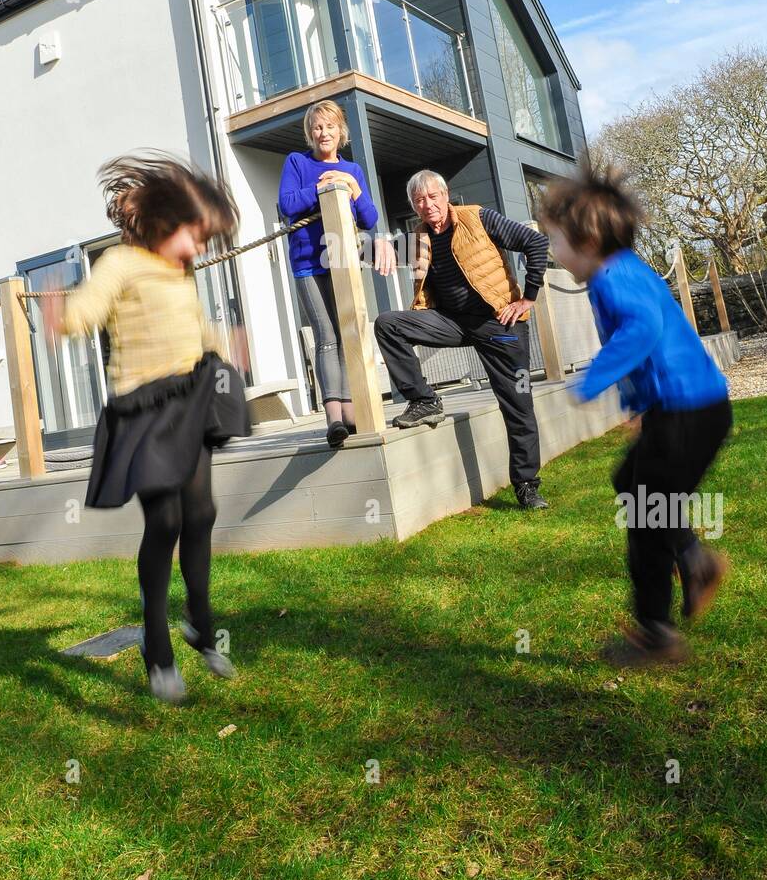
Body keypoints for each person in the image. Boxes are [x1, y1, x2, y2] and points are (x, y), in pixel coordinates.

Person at [42, 152, 250, 704]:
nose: (200, 249)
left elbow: (192, 325)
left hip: (189, 399)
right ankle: (156, 648)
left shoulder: (177, 270)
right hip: (144, 412)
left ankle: (200, 624)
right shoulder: (119, 264)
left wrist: (223, 342)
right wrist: (63, 316)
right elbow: (89, 310)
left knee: (202, 511)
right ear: (166, 221)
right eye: (196, 235)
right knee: (167, 519)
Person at [538, 161, 732, 667]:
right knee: (633, 482)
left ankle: (658, 633)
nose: (553, 254)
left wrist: (595, 377)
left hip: (687, 413)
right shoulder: (626, 270)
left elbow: (642, 329)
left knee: (646, 519)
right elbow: (654, 345)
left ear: (586, 241)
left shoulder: (609, 279)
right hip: (693, 409)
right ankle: (694, 559)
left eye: (555, 241)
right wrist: (639, 407)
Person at [373, 170, 550, 510]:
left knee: (518, 403)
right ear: (414, 205)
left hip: (499, 323)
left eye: (433, 197)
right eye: (419, 200)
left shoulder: (478, 218)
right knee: (388, 324)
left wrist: (528, 298)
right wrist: (378, 241)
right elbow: (376, 254)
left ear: (446, 195)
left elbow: (536, 243)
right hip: (451, 322)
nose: (427, 205)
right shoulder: (419, 236)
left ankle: (527, 486)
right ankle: (424, 399)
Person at [278, 100, 395, 449]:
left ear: (340, 131)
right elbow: (287, 204)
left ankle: (350, 414)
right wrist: (322, 187)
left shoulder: (353, 169)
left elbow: (370, 219)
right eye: (317, 127)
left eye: (329, 126)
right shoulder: (297, 162)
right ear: (309, 133)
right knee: (327, 336)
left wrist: (349, 184)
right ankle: (333, 418)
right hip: (308, 263)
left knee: (347, 334)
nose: (323, 132)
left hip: (343, 260)